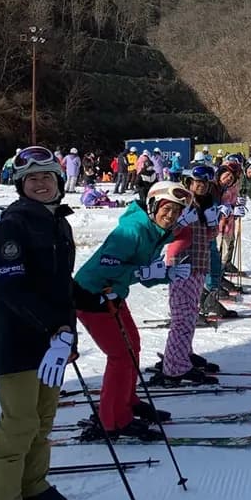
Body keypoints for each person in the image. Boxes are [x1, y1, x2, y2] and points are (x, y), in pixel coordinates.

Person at [0, 146, 86, 500]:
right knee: (19, 422)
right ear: (20, 185)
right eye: (32, 179)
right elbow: (12, 290)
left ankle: (31, 487)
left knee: (43, 418)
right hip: (20, 341)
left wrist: (69, 332)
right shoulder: (14, 225)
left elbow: (61, 287)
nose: (41, 183)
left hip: (53, 343)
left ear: (59, 182)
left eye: (47, 177)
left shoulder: (57, 224)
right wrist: (53, 330)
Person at [72, 181, 195, 440]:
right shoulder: (132, 229)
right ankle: (113, 421)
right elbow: (109, 266)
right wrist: (141, 272)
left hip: (113, 294)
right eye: (167, 209)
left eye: (176, 211)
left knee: (132, 346)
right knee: (119, 356)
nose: (171, 216)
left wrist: (167, 274)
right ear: (153, 205)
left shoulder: (156, 232)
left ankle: (128, 402)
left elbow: (146, 275)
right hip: (92, 294)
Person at [154, 164, 222, 384]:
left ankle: (184, 355)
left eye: (205, 183)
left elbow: (209, 236)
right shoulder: (181, 202)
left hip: (200, 263)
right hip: (182, 261)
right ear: (190, 182)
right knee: (182, 317)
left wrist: (214, 224)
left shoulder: (207, 204)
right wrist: (180, 222)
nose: (201, 187)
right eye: (197, 182)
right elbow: (165, 231)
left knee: (191, 313)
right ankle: (174, 367)